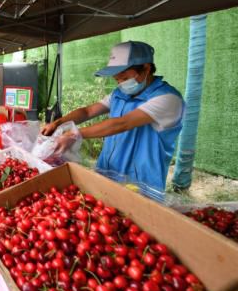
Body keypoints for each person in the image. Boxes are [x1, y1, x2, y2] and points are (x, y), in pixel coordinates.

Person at [42, 41, 184, 192]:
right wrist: (58, 123)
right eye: (117, 79)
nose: (121, 83)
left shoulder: (168, 98)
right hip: (107, 174)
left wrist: (75, 134)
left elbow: (122, 124)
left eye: (124, 78)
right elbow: (88, 111)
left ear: (146, 68)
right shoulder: (119, 94)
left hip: (140, 184)